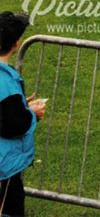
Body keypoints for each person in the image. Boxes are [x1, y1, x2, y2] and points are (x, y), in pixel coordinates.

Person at [0, 12, 46, 216]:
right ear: (17, 44)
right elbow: (14, 125)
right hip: (4, 170)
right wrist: (31, 113)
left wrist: (19, 108)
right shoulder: (6, 82)